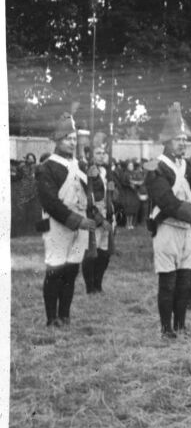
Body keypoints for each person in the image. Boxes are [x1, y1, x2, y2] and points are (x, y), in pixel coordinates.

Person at [144, 103, 191, 339]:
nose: (183, 143)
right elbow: (166, 201)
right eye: (178, 139)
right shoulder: (155, 168)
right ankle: (166, 329)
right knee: (168, 282)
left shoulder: (189, 165)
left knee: (185, 281)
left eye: (185, 139)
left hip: (189, 230)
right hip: (167, 228)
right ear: (167, 141)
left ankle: (181, 325)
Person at [35, 113, 104, 327]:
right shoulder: (46, 168)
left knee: (72, 272)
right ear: (57, 140)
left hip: (79, 226)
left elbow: (96, 197)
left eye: (74, 138)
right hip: (57, 226)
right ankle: (51, 318)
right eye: (67, 138)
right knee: (55, 271)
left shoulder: (82, 166)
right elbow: (51, 203)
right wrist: (76, 220)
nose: (72, 142)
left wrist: (95, 179)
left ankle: (65, 315)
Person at [81, 134, 115, 294]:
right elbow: (88, 201)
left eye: (104, 153)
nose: (102, 156)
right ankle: (90, 287)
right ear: (90, 155)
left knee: (105, 254)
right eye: (98, 153)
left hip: (108, 215)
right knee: (91, 254)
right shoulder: (87, 172)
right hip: (94, 217)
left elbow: (113, 197)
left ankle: (98, 284)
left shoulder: (108, 171)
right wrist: (101, 221)